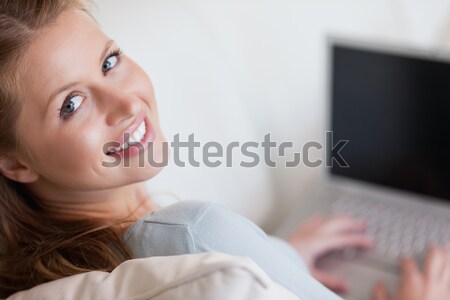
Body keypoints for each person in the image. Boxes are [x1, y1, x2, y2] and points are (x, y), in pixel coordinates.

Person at [0, 0, 448, 299]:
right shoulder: (194, 234)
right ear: (14, 162)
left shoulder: (57, 272)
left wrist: (273, 258)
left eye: (109, 62)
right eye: (71, 105)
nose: (126, 103)